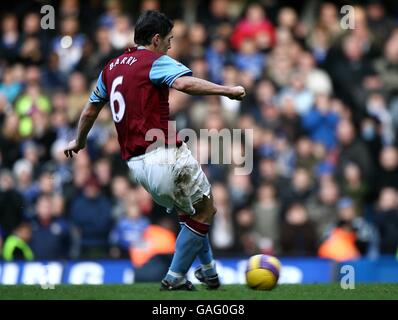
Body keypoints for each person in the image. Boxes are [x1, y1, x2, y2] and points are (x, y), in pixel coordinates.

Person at [64, 10, 246, 290]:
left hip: (137, 166)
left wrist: (79, 140)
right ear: (157, 39)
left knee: (193, 212)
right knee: (206, 209)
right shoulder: (155, 61)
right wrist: (227, 91)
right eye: (169, 40)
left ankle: (209, 272)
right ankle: (174, 278)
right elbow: (185, 83)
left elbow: (90, 110)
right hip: (164, 152)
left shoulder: (110, 68)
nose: (171, 46)